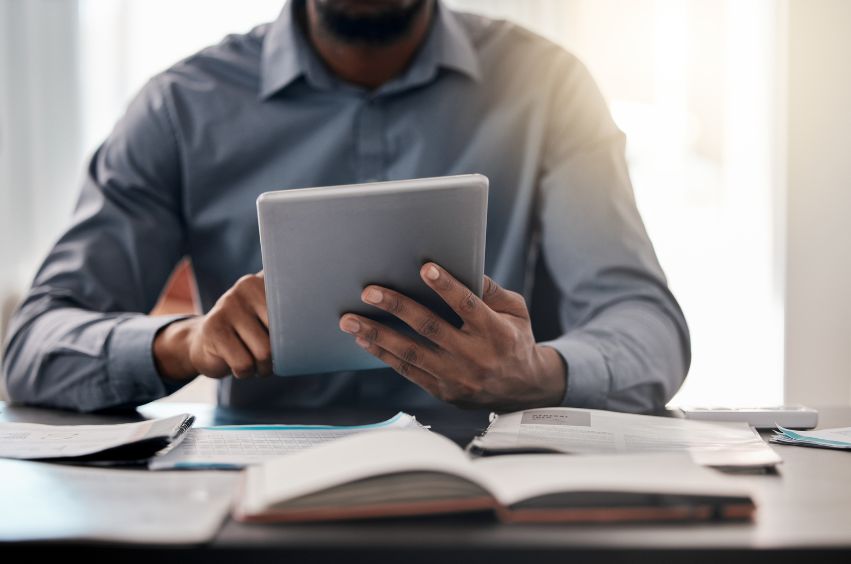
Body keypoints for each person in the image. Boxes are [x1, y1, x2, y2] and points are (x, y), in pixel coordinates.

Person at [2, 0, 690, 414]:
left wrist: (534, 372)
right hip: (257, 497)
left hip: (500, 483)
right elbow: (33, 346)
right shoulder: (180, 107)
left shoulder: (548, 87)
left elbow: (645, 324)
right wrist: (187, 341)